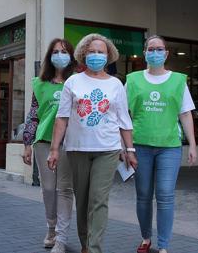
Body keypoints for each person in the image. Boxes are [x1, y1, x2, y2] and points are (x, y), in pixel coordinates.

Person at [48, 33, 138, 253]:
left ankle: (94, 248)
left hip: (107, 150)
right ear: (83, 54)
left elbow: (124, 121)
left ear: (108, 56)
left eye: (101, 52)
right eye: (91, 51)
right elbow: (62, 118)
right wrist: (54, 149)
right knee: (83, 201)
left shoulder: (116, 84)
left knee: (99, 200)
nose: (96, 55)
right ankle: (85, 244)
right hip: (77, 149)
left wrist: (130, 150)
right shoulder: (73, 81)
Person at [125, 35, 198, 253]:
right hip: (140, 146)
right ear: (145, 52)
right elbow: (123, 115)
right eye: (151, 48)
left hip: (169, 147)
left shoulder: (178, 80)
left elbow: (185, 114)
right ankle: (146, 238)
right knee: (144, 195)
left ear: (166, 53)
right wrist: (125, 146)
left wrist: (192, 144)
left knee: (165, 195)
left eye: (159, 49)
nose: (155, 52)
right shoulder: (133, 79)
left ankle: (164, 245)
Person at [22, 38, 77, 253]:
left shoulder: (78, 81)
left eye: (64, 51)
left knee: (65, 189)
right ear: (49, 56)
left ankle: (60, 235)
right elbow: (34, 115)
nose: (60, 55)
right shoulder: (39, 83)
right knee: (48, 189)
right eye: (55, 51)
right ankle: (51, 227)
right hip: (44, 141)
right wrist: (27, 143)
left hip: (71, 142)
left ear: (71, 55)